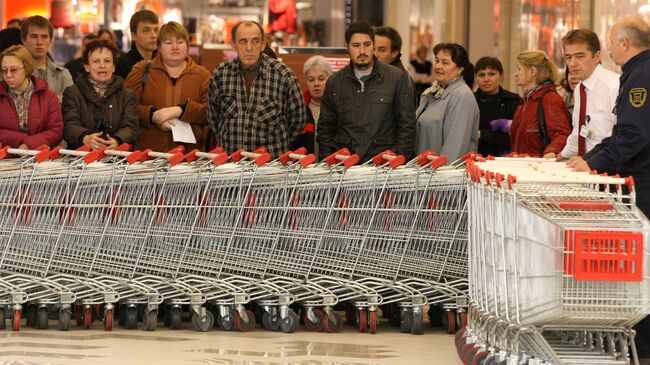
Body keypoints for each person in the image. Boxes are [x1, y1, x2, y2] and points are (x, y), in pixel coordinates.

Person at [566, 17, 650, 363]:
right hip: (634, 176)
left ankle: (642, 345)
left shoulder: (636, 77)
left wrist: (597, 163)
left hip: (641, 182)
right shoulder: (638, 73)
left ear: (624, 44)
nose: (610, 49)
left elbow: (633, 135)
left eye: (612, 43)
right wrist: (588, 159)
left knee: (641, 268)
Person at [317, 21, 415, 162]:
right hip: (345, 167)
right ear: (347, 47)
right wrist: (330, 162)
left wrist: (398, 160)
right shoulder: (335, 82)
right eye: (356, 45)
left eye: (367, 45)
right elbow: (325, 129)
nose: (362, 51)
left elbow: (407, 127)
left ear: (373, 45)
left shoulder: (397, 78)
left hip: (384, 167)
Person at [207, 20, 305, 158]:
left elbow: (297, 121)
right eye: (242, 41)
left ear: (263, 44)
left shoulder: (283, 75)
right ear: (233, 45)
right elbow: (213, 118)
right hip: (230, 166)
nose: (249, 47)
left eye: (255, 41)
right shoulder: (221, 74)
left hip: (270, 166)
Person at [124, 21, 210, 152]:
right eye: (168, 43)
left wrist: (181, 110)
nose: (175, 47)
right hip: (148, 157)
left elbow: (210, 113)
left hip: (189, 159)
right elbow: (126, 108)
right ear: (158, 47)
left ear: (187, 45)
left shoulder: (202, 75)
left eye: (180, 42)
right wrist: (153, 116)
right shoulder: (142, 70)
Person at [62, 40, 139, 150]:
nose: (102, 65)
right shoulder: (72, 93)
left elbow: (131, 127)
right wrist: (85, 138)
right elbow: (69, 125)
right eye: (96, 61)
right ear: (87, 67)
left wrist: (118, 140)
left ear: (113, 67)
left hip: (117, 160)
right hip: (81, 160)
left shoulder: (127, 95)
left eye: (107, 61)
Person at [558, 29, 619, 160]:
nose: (573, 64)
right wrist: (561, 156)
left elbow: (621, 139)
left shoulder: (614, 86)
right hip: (586, 169)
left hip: (610, 168)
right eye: (568, 57)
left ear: (597, 56)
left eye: (580, 56)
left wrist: (590, 162)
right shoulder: (580, 88)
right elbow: (578, 133)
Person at [415, 43, 478, 163]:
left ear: (460, 69)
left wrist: (442, 179)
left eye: (445, 62)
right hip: (425, 171)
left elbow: (455, 147)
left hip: (442, 176)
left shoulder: (462, 96)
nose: (438, 66)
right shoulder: (434, 91)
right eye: (437, 61)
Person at [510, 50, 571, 158]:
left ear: (533, 71)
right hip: (522, 167)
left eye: (519, 69)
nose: (516, 74)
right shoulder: (525, 101)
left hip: (538, 169)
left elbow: (562, 134)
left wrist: (550, 153)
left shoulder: (550, 99)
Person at [0, 45, 63, 148]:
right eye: (4, 70)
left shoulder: (47, 95)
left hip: (40, 158)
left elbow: (56, 131)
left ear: (27, 68)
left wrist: (30, 144)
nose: (8, 75)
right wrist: (23, 141)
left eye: (14, 70)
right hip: (5, 158)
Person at [474, 56, 520, 157]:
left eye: (492, 74)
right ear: (476, 78)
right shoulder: (470, 101)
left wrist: (481, 134)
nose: (486, 79)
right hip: (476, 159)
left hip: (506, 160)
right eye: (481, 75)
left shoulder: (513, 101)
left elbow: (514, 138)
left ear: (501, 76)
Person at [20, 16, 73, 102]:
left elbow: (70, 107)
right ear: (23, 40)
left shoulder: (63, 75)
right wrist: (57, 98)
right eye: (34, 37)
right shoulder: (12, 72)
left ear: (50, 40)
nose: (39, 42)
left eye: (44, 37)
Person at [291, 55, 332, 155]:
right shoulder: (299, 108)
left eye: (321, 79)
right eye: (311, 79)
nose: (316, 84)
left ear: (330, 79)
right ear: (306, 81)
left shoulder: (338, 107)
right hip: (305, 167)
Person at [115, 10, 159, 80]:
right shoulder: (122, 65)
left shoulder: (162, 62)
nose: (153, 35)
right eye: (146, 30)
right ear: (134, 36)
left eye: (156, 30)